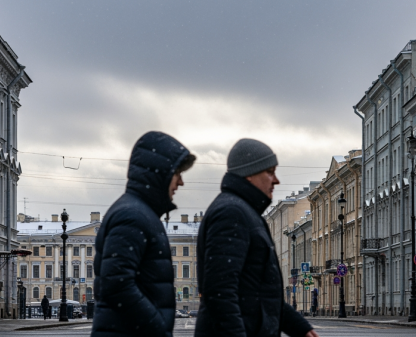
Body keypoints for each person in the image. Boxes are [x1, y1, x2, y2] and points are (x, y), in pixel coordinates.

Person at [195, 138, 318, 337]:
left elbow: (261, 294)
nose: (276, 180)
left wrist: (300, 327)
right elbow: (220, 293)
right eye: (270, 172)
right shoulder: (231, 213)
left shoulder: (245, 213)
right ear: (249, 173)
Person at [92, 131, 196, 337]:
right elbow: (118, 285)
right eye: (177, 173)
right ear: (160, 172)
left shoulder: (139, 213)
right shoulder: (132, 216)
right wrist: (157, 327)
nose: (181, 182)